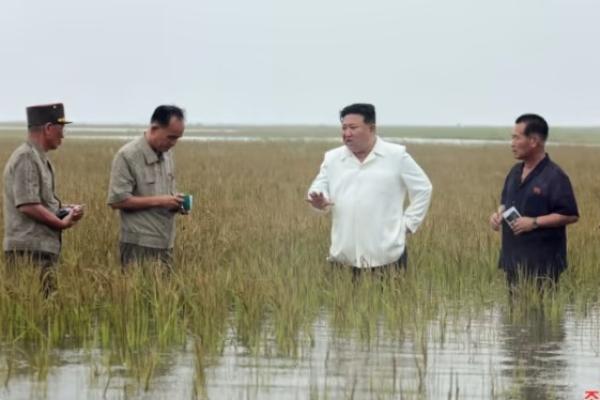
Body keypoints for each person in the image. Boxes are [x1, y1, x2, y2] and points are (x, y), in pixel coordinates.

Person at [307, 103, 432, 274]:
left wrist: (408, 224)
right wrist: (319, 201)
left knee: (392, 301)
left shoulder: (396, 156)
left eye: (353, 127)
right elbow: (318, 187)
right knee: (342, 301)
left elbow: (423, 188)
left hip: (387, 257)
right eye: (344, 128)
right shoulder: (332, 158)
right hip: (344, 258)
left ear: (371, 128)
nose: (347, 133)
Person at [3, 103, 84, 295]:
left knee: (47, 308)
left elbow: (39, 202)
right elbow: (28, 205)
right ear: (48, 128)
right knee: (31, 309)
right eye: (61, 129)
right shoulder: (26, 157)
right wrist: (60, 222)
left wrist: (65, 209)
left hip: (39, 249)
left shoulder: (39, 158)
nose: (63, 135)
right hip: (29, 253)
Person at [489, 114, 579, 287]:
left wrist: (534, 222)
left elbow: (570, 215)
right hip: (513, 262)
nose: (512, 144)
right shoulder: (514, 172)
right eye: (512, 138)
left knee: (543, 312)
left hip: (544, 266)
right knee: (514, 313)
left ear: (534, 141)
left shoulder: (555, 176)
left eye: (516, 138)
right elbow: (505, 202)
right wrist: (497, 215)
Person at [107, 105, 186, 270]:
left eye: (177, 138)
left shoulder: (167, 154)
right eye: (170, 137)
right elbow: (117, 200)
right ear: (155, 128)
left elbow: (165, 193)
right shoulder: (127, 155)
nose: (173, 143)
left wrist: (176, 202)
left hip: (165, 242)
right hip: (139, 244)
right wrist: (160, 201)